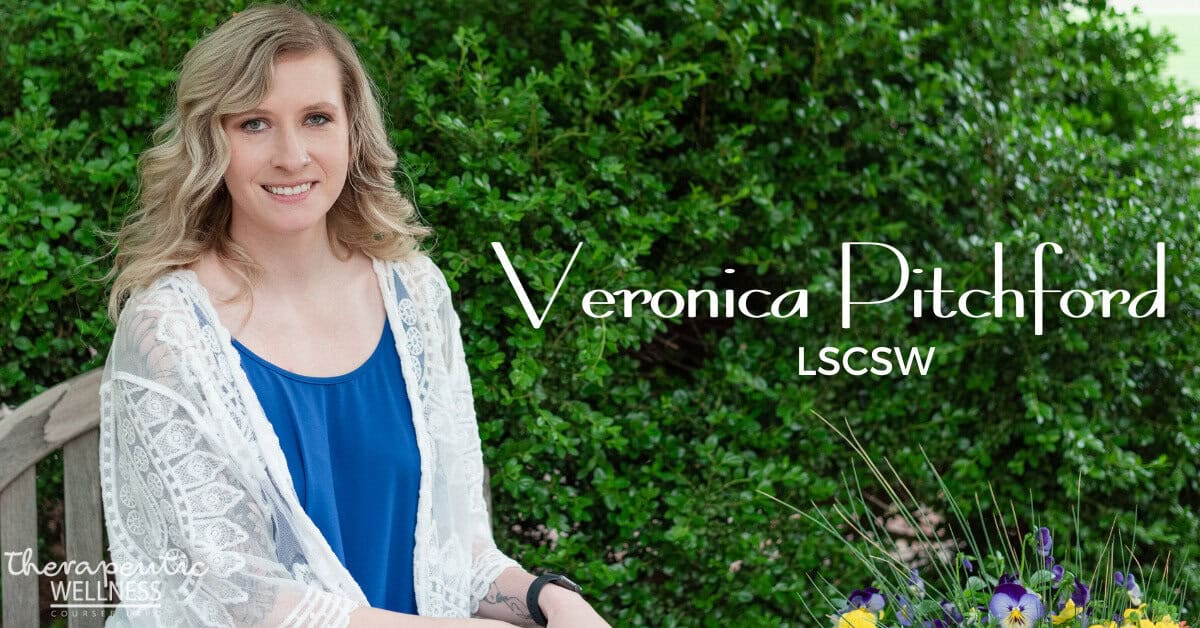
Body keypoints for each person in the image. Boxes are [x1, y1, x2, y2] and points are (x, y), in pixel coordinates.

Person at [98, 5, 610, 627]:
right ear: (212, 141)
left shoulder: (414, 293)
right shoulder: (169, 330)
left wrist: (549, 597)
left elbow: (458, 551)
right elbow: (233, 598)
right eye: (255, 123)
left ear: (352, 131)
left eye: (317, 118)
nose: (292, 155)